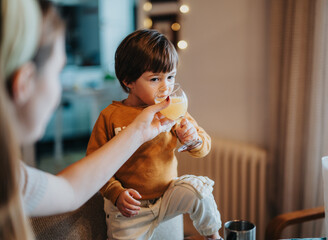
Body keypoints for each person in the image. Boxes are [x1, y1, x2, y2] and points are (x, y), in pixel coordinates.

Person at [0, 1, 175, 239]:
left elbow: (71, 190)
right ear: (24, 83)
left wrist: (139, 131)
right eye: (57, 72)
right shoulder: (108, 116)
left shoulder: (12, 178)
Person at [86, 29, 222, 240]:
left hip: (168, 195)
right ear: (128, 81)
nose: (166, 87)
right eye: (155, 79)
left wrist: (193, 138)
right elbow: (94, 164)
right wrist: (116, 192)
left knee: (198, 190)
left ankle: (214, 237)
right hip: (131, 207)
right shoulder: (110, 116)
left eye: (171, 76)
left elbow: (204, 147)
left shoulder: (174, 109)